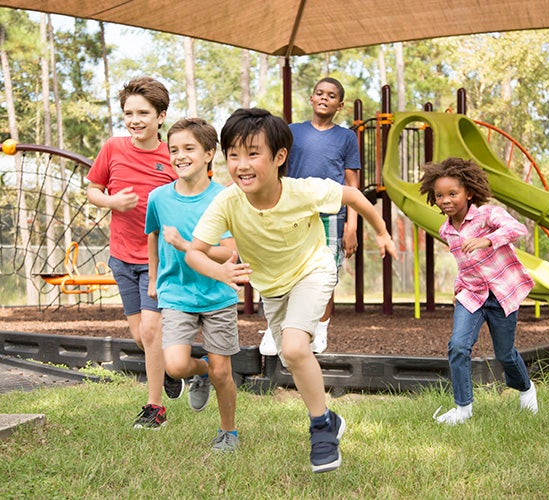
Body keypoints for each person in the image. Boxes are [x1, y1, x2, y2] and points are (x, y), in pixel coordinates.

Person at [185, 108, 397, 473]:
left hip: (313, 271)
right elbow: (194, 252)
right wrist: (219, 270)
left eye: (253, 153)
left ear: (279, 157)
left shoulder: (304, 190)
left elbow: (355, 196)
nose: (241, 164)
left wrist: (381, 231)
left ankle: (320, 431)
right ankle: (329, 419)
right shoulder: (227, 202)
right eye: (232, 154)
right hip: (273, 287)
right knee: (291, 358)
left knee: (297, 347)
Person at [86, 76, 184, 429]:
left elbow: (192, 194)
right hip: (121, 256)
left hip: (159, 259)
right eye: (129, 113)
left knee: (151, 331)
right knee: (140, 336)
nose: (134, 119)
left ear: (161, 116)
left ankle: (154, 408)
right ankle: (172, 371)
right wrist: (112, 201)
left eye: (143, 112)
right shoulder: (113, 148)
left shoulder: (173, 155)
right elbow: (93, 189)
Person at [419, 157, 539, 425]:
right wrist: (459, 289)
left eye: (453, 193)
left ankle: (526, 388)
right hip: (471, 295)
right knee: (458, 346)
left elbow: (516, 228)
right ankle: (463, 408)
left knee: (505, 354)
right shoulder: (446, 231)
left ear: (468, 193)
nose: (445, 200)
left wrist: (488, 240)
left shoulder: (487, 214)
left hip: (501, 293)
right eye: (439, 195)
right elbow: (463, 265)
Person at [145, 118, 240, 451]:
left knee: (223, 372)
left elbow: (228, 253)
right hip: (176, 294)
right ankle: (199, 374)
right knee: (174, 365)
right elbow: (153, 236)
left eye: (189, 149)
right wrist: (154, 278)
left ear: (209, 154)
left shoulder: (225, 198)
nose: (179, 156)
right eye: (174, 150)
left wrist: (188, 245)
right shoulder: (158, 198)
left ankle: (228, 432)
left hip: (218, 295)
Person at [259, 76, 361, 355]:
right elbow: (275, 167)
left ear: (339, 105)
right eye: (320, 93)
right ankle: (275, 328)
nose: (324, 97)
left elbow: (352, 185)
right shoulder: (292, 132)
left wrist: (351, 226)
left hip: (331, 214)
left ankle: (320, 330)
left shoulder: (346, 137)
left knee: (325, 275)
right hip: (293, 213)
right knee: (283, 269)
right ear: (312, 99)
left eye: (331, 95)